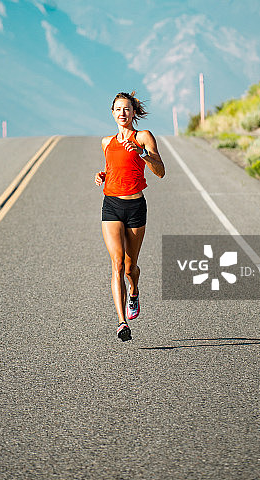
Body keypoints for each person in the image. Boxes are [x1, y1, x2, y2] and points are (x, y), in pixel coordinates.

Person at [95, 91, 165, 341]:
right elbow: (114, 167)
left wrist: (141, 152)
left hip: (135, 207)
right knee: (116, 264)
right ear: (112, 113)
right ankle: (121, 322)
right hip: (111, 205)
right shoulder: (106, 142)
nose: (122, 113)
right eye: (118, 109)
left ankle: (134, 291)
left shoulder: (143, 137)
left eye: (126, 109)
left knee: (129, 267)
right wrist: (103, 175)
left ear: (134, 112)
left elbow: (160, 171)